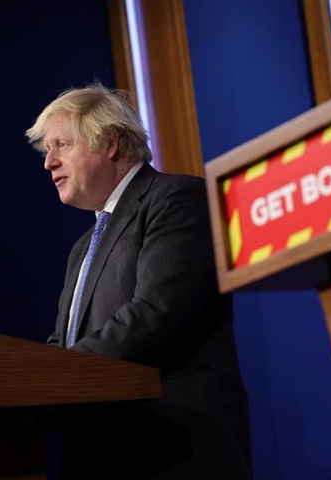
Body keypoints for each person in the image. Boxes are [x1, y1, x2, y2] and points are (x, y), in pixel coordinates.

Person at [26, 84, 252, 479]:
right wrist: (28, 385)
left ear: (110, 142)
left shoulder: (176, 199)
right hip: (101, 455)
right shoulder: (82, 247)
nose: (49, 162)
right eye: (47, 150)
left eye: (61, 145)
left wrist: (54, 378)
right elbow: (62, 345)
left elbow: (156, 314)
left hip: (174, 448)